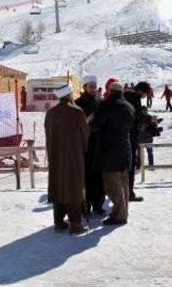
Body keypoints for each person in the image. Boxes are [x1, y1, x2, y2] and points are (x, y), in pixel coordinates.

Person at [46, 83, 90, 234]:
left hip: (55, 156)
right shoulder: (77, 112)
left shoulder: (50, 112)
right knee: (74, 187)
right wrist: (84, 150)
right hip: (74, 156)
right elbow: (86, 136)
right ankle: (75, 224)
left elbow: (48, 135)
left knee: (58, 186)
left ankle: (58, 222)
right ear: (70, 95)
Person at [93, 81, 134, 225]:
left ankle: (119, 216)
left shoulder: (107, 105)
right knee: (124, 185)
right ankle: (124, 213)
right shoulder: (129, 106)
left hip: (110, 151)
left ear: (110, 91)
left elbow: (95, 125)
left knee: (112, 186)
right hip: (125, 149)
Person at [74, 75, 106, 217]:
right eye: (90, 86)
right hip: (85, 147)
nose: (93, 89)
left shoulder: (100, 102)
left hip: (99, 145)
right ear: (85, 87)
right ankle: (85, 206)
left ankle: (98, 206)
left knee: (99, 178)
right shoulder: (78, 103)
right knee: (86, 178)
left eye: (94, 86)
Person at [124, 81, 152, 202]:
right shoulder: (134, 96)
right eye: (145, 94)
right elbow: (138, 114)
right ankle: (129, 192)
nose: (145, 97)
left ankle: (122, 192)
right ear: (141, 91)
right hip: (131, 134)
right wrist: (151, 119)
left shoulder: (125, 93)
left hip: (122, 134)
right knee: (130, 165)